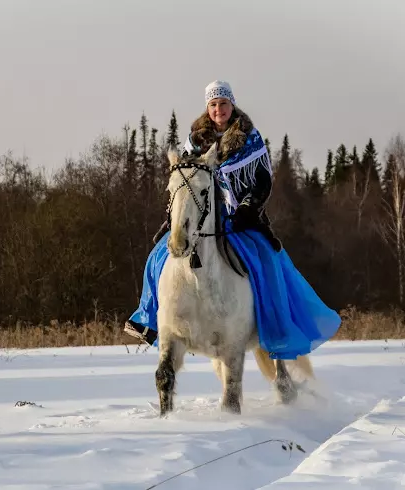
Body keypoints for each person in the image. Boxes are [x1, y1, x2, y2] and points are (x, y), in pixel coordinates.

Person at [123, 80, 341, 360]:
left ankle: (276, 327)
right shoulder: (195, 140)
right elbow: (184, 181)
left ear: (231, 105)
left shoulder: (250, 137)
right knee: (156, 257)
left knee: (268, 261)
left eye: (223, 104)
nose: (218, 110)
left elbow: (263, 179)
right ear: (208, 108)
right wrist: (177, 214)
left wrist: (248, 208)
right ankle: (148, 319)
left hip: (241, 216)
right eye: (213, 105)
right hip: (201, 215)